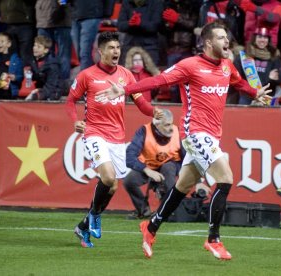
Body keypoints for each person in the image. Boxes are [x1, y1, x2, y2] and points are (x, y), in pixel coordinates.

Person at [96, 21, 271, 260]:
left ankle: (151, 226)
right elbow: (158, 81)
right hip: (195, 133)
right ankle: (214, 239)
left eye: (226, 37)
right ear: (209, 42)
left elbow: (237, 82)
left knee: (182, 187)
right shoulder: (190, 65)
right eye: (221, 38)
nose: (226, 41)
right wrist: (125, 90)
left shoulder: (227, 65)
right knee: (226, 178)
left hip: (212, 135)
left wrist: (254, 92)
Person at [65, 31, 162, 248]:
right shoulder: (86, 75)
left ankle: (83, 226)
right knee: (108, 178)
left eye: (117, 47)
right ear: (100, 52)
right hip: (94, 132)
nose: (116, 51)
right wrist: (75, 121)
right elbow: (70, 101)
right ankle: (95, 217)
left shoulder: (127, 75)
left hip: (117, 138)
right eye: (111, 48)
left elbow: (141, 103)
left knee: (112, 186)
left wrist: (153, 111)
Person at [124, 109, 184, 219]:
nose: (171, 128)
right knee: (129, 181)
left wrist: (199, 181)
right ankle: (144, 210)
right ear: (156, 125)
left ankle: (170, 210)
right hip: (149, 167)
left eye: (171, 123)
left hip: (171, 166)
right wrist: (147, 170)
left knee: (167, 167)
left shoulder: (178, 132)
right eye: (166, 125)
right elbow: (129, 157)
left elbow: (188, 158)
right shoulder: (143, 131)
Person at [234, 27, 281, 105]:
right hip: (247, 96)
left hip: (267, 97)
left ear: (268, 40)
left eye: (265, 37)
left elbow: (279, 79)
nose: (262, 40)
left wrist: (267, 80)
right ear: (254, 38)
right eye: (260, 37)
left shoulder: (274, 56)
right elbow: (237, 78)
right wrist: (268, 78)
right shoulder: (244, 55)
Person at [70, 0, 116, 70]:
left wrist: (107, 14)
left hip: (92, 15)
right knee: (80, 53)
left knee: (84, 53)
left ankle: (85, 79)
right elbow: (64, 1)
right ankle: (92, 74)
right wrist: (62, 3)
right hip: (75, 16)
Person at [117, 0, 164, 66]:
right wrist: (129, 23)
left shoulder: (156, 2)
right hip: (129, 45)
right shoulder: (126, 2)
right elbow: (120, 25)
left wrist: (141, 23)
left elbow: (157, 26)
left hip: (150, 46)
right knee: (127, 74)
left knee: (151, 74)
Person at [35, 0, 72, 83]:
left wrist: (62, 7)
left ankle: (63, 84)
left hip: (62, 21)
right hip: (43, 21)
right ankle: (48, 83)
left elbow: (64, 1)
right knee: (46, 56)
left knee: (64, 56)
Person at [25, 35, 65, 101]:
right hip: (42, 89)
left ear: (46, 50)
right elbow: (34, 79)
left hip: (54, 92)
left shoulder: (53, 65)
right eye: (34, 45)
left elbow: (51, 87)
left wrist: (38, 94)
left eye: (39, 47)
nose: (35, 48)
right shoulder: (33, 61)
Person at [0, 0, 37, 66]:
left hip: (25, 23)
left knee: (25, 54)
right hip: (7, 23)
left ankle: (27, 75)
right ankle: (13, 74)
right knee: (11, 55)